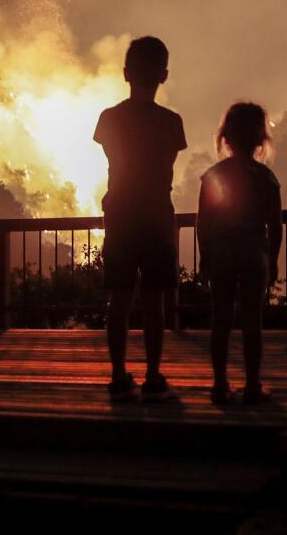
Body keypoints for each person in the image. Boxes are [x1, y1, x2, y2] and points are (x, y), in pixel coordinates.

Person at [94, 36, 186, 402]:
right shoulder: (171, 123)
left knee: (119, 299)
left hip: (120, 211)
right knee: (154, 300)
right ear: (163, 75)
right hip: (156, 214)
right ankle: (152, 374)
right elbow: (168, 166)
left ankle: (118, 374)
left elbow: (111, 155)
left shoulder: (109, 119)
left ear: (125, 73)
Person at [197, 102, 282, 405]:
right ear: (260, 140)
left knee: (221, 320)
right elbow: (275, 225)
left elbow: (203, 222)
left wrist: (205, 255)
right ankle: (252, 385)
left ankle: (220, 384)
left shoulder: (213, 176)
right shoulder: (266, 179)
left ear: (226, 138)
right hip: (253, 254)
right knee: (252, 323)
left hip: (221, 253)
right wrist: (271, 260)